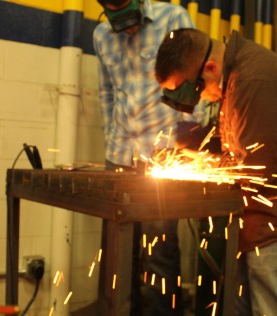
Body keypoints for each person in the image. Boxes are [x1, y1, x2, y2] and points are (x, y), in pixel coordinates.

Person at [155, 28, 277, 315]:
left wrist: (198, 166)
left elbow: (255, 169)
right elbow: (238, 145)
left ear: (209, 68)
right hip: (265, 223)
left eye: (194, 89)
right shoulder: (236, 77)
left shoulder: (254, 79)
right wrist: (191, 150)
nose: (203, 99)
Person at [93, 1, 198, 315]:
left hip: (163, 157)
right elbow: (107, 94)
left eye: (134, 23)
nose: (131, 31)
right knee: (116, 253)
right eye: (122, 26)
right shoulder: (100, 35)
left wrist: (190, 142)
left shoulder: (173, 17)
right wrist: (111, 144)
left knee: (159, 253)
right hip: (120, 155)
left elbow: (193, 82)